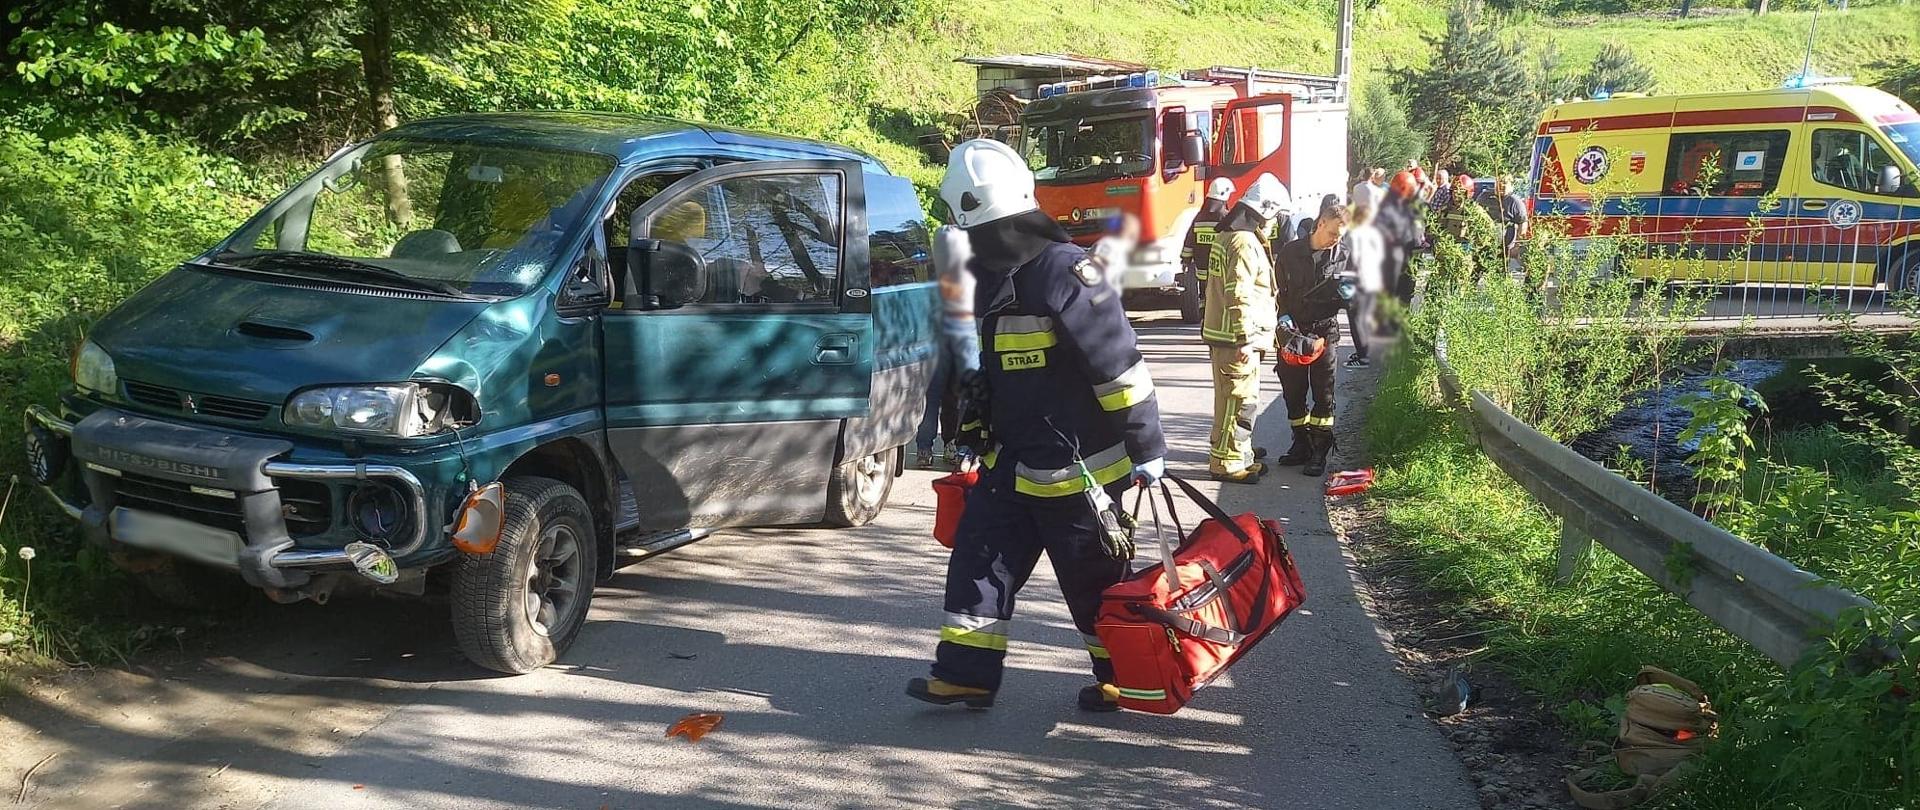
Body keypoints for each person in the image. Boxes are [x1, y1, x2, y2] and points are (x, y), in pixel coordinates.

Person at [907, 139, 1168, 713]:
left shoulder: (1068, 273)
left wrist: (1146, 444)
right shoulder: (990, 275)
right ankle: (965, 674)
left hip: (1081, 471)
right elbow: (988, 366)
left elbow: (1118, 367)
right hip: (1010, 463)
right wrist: (971, 429)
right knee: (978, 562)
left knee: (1093, 580)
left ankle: (1120, 674)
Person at [1201, 173, 1290, 484]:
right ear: (1265, 211)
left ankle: (1237, 452)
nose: (1275, 223)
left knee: (1231, 400)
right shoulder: (1243, 242)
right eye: (1275, 215)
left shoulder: (1229, 235)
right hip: (1237, 340)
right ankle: (1226, 463)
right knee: (1238, 402)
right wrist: (1243, 338)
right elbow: (1238, 292)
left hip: (1230, 336)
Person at [1273, 203, 1352, 477]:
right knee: (1293, 391)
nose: (1335, 240)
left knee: (1324, 393)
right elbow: (1278, 291)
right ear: (1320, 224)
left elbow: (1354, 296)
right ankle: (1301, 443)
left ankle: (1320, 448)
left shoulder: (1344, 256)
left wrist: (1352, 296)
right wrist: (1283, 318)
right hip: (1293, 331)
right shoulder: (1290, 253)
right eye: (1332, 233)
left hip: (1324, 331)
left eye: (1340, 236)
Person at [914, 223, 979, 469]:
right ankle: (960, 448)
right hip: (964, 337)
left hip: (936, 339)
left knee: (932, 397)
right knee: (963, 396)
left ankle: (924, 449)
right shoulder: (972, 269)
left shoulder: (927, 271)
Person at [1343, 200, 1384, 368]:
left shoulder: (1353, 235)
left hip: (1358, 281)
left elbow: (1348, 259)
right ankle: (1366, 351)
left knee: (1356, 319)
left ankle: (1363, 357)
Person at [1187, 177, 1236, 285]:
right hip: (1221, 275)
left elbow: (1189, 241)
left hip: (1202, 273)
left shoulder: (1199, 217)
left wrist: (1186, 259)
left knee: (1205, 295)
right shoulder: (1227, 218)